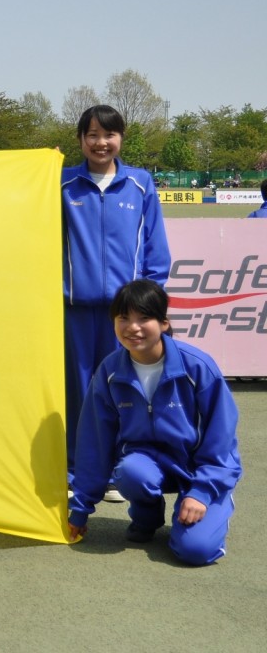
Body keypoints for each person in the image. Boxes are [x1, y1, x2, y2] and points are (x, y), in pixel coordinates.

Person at [68, 280, 241, 565]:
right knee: (130, 471)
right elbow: (94, 441)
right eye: (123, 318)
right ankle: (147, 516)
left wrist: (202, 491)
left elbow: (221, 437)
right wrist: (80, 509)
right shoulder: (109, 371)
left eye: (144, 318)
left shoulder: (197, 366)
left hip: (198, 468)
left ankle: (209, 506)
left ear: (163, 323)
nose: (133, 328)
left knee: (196, 551)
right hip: (145, 465)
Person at [61, 105, 171, 501]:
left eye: (108, 134)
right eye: (92, 134)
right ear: (80, 140)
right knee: (78, 391)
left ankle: (115, 471)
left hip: (126, 316)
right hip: (74, 310)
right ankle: (76, 471)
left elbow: (156, 247)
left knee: (123, 389)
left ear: (121, 138)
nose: (100, 142)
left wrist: (148, 303)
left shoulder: (140, 184)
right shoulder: (61, 183)